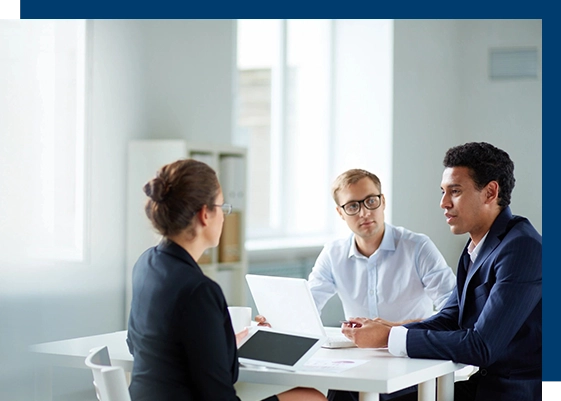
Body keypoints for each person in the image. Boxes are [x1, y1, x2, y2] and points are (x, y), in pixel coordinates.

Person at [341, 142, 542, 401]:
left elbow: (482, 346)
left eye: (454, 191)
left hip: (512, 393)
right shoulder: (476, 247)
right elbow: (450, 318)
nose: (443, 203)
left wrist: (390, 336)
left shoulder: (522, 248)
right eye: (443, 192)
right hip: (481, 386)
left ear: (490, 192)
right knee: (353, 392)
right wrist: (386, 330)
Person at [126, 159, 327, 401]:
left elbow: (139, 344)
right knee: (311, 397)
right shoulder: (199, 290)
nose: (224, 217)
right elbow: (219, 393)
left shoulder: (146, 264)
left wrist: (221, 344)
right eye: (222, 207)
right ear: (205, 215)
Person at [256, 168, 456, 401]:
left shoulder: (417, 247)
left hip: (410, 365)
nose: (364, 213)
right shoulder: (334, 253)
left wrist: (392, 329)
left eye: (371, 201)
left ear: (383, 202)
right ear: (340, 213)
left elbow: (453, 311)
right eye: (352, 206)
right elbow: (308, 306)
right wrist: (278, 321)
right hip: (355, 369)